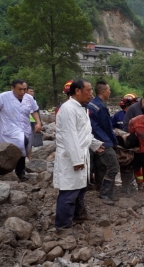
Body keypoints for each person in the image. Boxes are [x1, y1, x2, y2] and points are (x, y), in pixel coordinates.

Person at [53, 79, 104, 232]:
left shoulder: (81, 108)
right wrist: (76, 160)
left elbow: (83, 133)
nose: (91, 94)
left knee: (80, 188)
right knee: (69, 192)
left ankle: (79, 214)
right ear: (77, 91)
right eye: (89, 90)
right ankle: (63, 225)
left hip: (81, 153)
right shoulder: (68, 109)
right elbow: (70, 136)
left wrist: (95, 144)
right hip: (71, 157)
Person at [0, 79, 42, 181]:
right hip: (8, 128)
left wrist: (38, 122)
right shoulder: (3, 97)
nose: (22, 92)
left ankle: (19, 170)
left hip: (25, 127)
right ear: (12, 88)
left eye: (24, 89)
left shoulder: (29, 98)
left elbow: (34, 110)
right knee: (21, 142)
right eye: (19, 89)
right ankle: (19, 171)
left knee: (25, 148)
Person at [88, 81, 119, 206]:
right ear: (103, 91)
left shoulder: (91, 105)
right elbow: (107, 127)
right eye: (109, 90)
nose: (110, 92)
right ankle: (105, 193)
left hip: (92, 141)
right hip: (103, 141)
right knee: (113, 167)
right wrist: (114, 142)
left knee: (100, 167)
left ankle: (102, 190)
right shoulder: (101, 107)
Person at [122, 88, 144, 190]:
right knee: (135, 164)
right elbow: (126, 124)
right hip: (136, 141)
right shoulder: (133, 108)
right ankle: (139, 184)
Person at [26, 87, 43, 152]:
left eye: (33, 91)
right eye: (30, 91)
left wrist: (39, 121)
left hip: (35, 120)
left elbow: (36, 111)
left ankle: (38, 147)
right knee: (30, 134)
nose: (32, 93)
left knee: (37, 132)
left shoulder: (34, 100)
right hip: (28, 120)